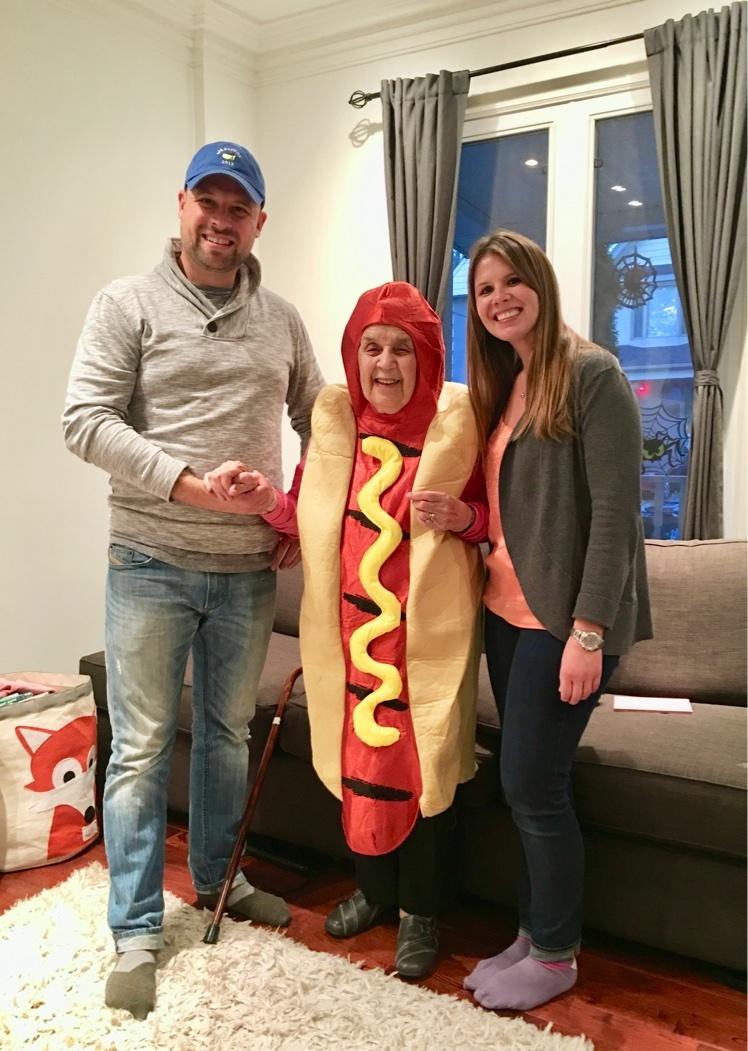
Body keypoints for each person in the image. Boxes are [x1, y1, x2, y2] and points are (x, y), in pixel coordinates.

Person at [62, 141, 324, 1019]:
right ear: (181, 205)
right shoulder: (126, 304)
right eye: (207, 201)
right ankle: (136, 928)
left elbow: (324, 423)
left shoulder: (282, 320)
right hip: (149, 562)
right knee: (140, 749)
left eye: (237, 206)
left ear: (259, 221)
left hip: (246, 570)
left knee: (225, 736)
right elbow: (84, 420)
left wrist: (294, 513)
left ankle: (220, 879)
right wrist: (186, 483)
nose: (220, 220)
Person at [204, 282, 487, 979]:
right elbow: (304, 515)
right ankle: (375, 890)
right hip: (348, 639)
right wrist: (266, 501)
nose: (385, 364)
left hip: (426, 643)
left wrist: (463, 518)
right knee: (359, 764)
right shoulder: (337, 433)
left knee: (424, 769)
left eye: (401, 349)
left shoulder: (459, 431)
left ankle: (421, 911)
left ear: (427, 357)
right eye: (371, 347)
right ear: (353, 354)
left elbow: (495, 518)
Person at [448, 229, 651, 1010]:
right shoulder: (510, 380)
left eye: (511, 281)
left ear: (540, 280)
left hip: (562, 622)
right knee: (521, 784)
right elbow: (514, 511)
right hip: (506, 611)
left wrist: (589, 632)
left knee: (534, 786)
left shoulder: (592, 373)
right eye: (484, 288)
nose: (499, 298)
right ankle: (532, 933)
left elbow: (616, 517)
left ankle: (558, 954)